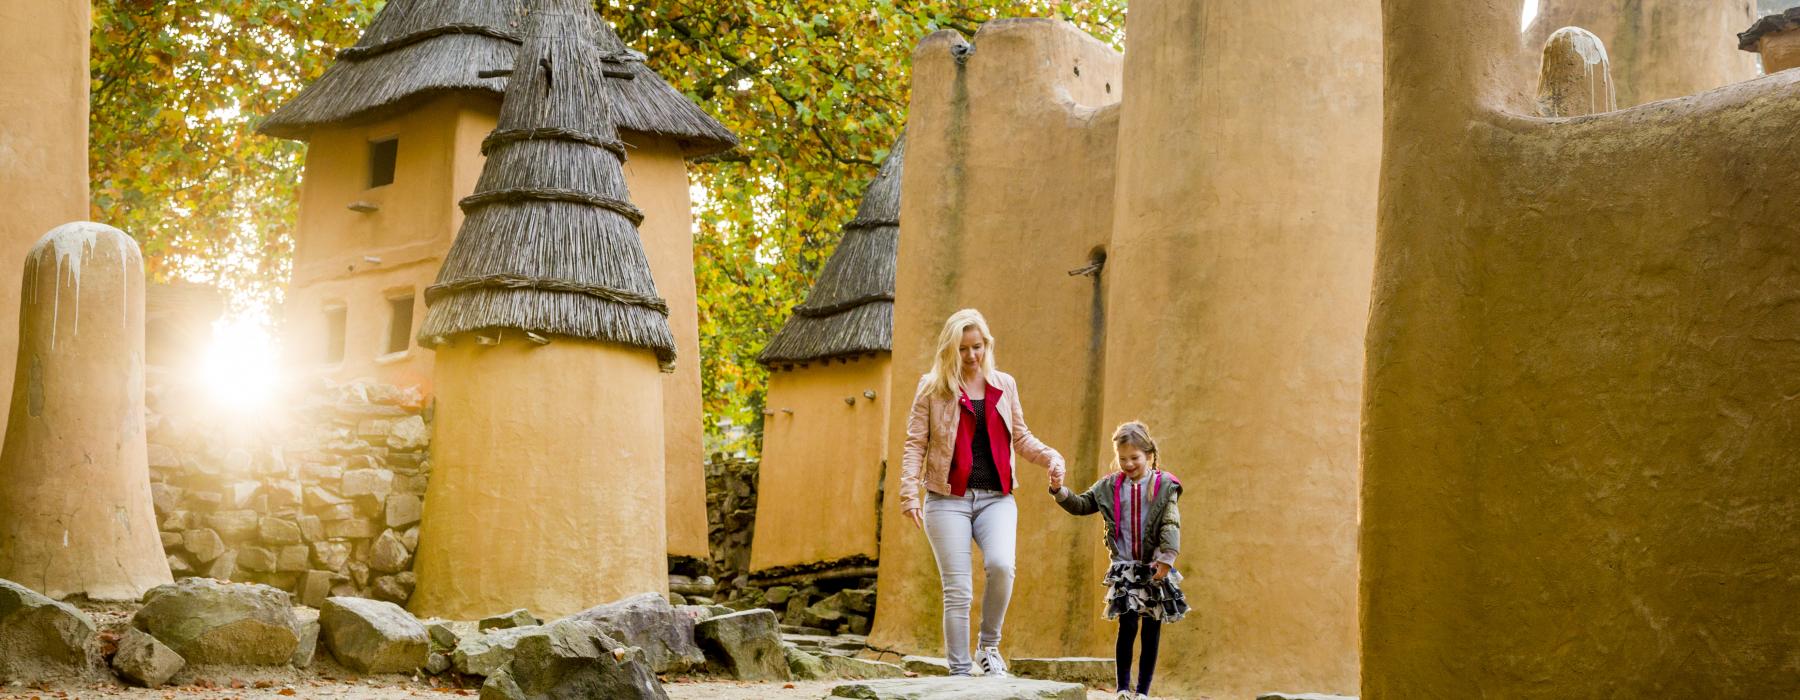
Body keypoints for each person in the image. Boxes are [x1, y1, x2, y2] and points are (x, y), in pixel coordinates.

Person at [899, 308, 1066, 677]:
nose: (971, 356)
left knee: (1002, 566)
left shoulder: (1004, 384)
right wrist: (908, 493)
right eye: (962, 349)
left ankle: (988, 648)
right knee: (958, 590)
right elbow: (915, 444)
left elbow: (1019, 437)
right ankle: (960, 673)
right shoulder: (931, 387)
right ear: (949, 349)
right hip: (946, 500)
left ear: (986, 345)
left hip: (997, 498)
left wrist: (1050, 456)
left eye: (977, 347)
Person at [1048, 421, 1187, 700]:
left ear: (1148, 455)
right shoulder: (1110, 486)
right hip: (1125, 567)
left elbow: (1170, 522)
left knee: (1151, 628)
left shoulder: (1164, 485)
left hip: (1155, 566)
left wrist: (1167, 558)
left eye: (1134, 458)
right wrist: (1058, 490)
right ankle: (1123, 687)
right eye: (1123, 459)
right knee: (1128, 624)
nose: (1129, 464)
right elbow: (1082, 504)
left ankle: (1143, 691)